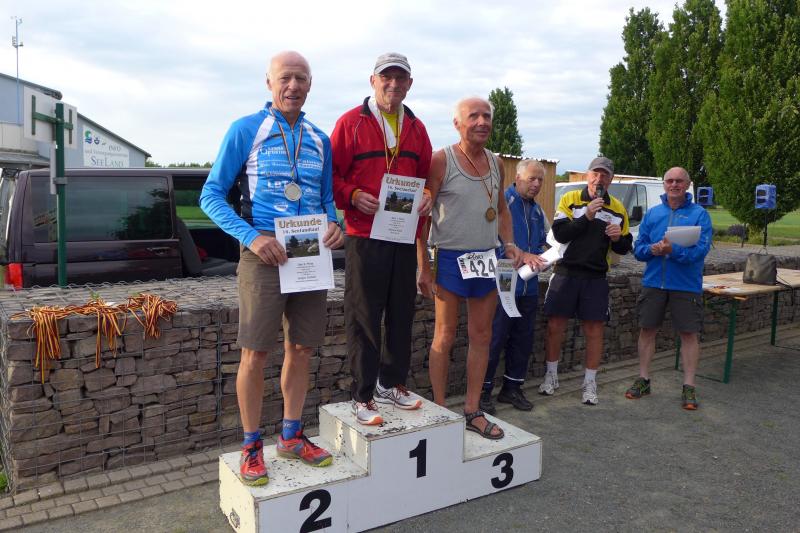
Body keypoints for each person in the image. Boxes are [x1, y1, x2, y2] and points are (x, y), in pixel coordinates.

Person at [200, 51, 344, 486]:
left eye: (301, 78)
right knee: (255, 352)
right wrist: (252, 237)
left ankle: (291, 436)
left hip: (308, 252)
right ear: (269, 82)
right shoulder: (246, 129)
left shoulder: (320, 139)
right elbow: (211, 195)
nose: (293, 86)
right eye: (285, 78)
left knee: (301, 348)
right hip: (263, 252)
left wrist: (335, 223)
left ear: (310, 84)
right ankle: (250, 446)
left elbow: (325, 198)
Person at [417, 97, 540, 440]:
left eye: (487, 116)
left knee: (482, 335)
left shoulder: (496, 162)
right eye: (474, 116)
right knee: (444, 335)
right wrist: (423, 266)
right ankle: (440, 409)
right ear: (457, 123)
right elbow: (421, 216)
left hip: (486, 258)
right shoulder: (441, 160)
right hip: (449, 258)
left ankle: (472, 410)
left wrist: (510, 243)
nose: (482, 121)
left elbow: (501, 209)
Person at [331, 53, 433, 425]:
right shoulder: (350, 123)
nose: (393, 84)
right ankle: (362, 395)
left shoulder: (417, 127)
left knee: (402, 312)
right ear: (372, 81)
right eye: (386, 77)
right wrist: (353, 195)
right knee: (364, 316)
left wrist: (428, 196)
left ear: (409, 84)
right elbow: (331, 177)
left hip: (402, 236)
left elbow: (426, 180)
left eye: (400, 78)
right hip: (364, 235)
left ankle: (391, 383)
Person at [537, 156, 632, 405]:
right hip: (566, 272)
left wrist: (617, 239)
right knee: (555, 326)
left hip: (596, 277)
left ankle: (590, 382)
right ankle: (551, 375)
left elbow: (624, 247)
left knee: (594, 330)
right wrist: (587, 215)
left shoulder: (618, 208)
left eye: (604, 175)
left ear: (610, 180)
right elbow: (560, 234)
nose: (599, 179)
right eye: (595, 173)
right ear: (587, 176)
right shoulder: (570, 199)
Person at [626, 167, 712, 410]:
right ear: (664, 184)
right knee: (647, 331)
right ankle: (644, 379)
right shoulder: (653, 214)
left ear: (687, 184)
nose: (674, 185)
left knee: (689, 335)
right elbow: (638, 249)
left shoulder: (699, 215)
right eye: (670, 181)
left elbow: (700, 251)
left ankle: (689, 386)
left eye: (679, 181)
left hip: (685, 285)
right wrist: (652, 249)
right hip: (654, 283)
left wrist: (673, 251)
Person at [480, 160, 549, 414]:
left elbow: (541, 242)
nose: (537, 184)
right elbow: (489, 240)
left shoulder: (538, 210)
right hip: (503, 282)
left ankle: (511, 388)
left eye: (540, 180)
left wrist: (543, 259)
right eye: (532, 179)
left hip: (529, 285)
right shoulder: (503, 203)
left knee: (523, 338)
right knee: (494, 337)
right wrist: (520, 254)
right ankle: (482, 391)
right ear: (518, 178)